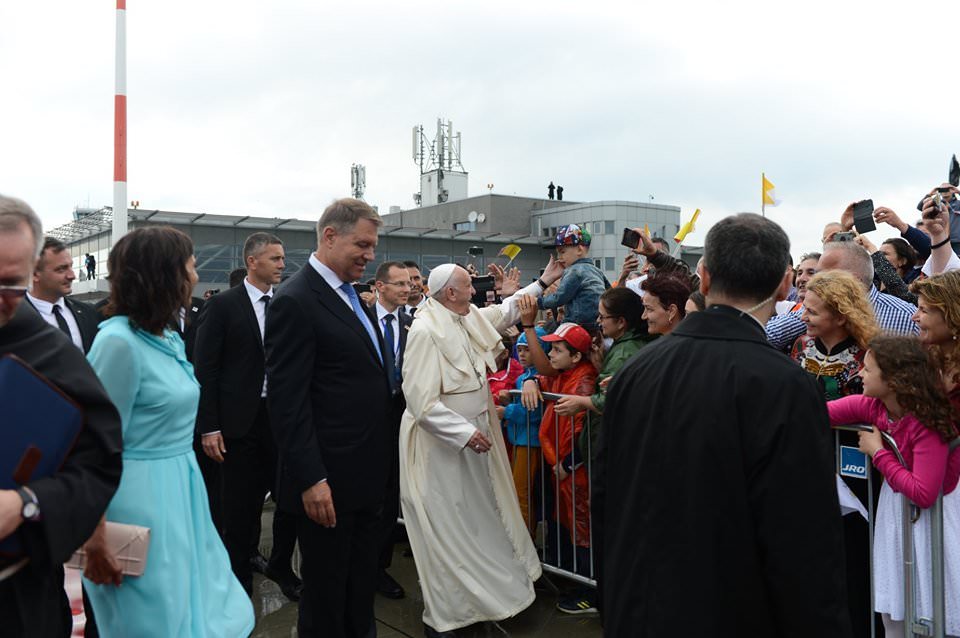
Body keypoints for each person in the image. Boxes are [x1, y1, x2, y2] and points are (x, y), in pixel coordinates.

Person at [598, 213, 851, 637]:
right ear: (783, 284)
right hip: (730, 613)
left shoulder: (635, 371)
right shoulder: (785, 385)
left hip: (638, 608)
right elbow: (803, 542)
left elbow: (606, 500)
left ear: (705, 275)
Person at [83, 226, 253, 636]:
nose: (195, 277)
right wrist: (94, 538)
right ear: (164, 275)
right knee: (149, 620)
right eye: (191, 267)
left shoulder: (167, 338)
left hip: (183, 493)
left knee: (199, 610)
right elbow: (89, 446)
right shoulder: (118, 344)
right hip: (134, 507)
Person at [398, 258, 564, 637]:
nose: (475, 291)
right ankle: (453, 616)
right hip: (442, 451)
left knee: (478, 525)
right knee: (451, 530)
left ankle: (481, 604)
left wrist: (543, 282)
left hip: (473, 444)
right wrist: (463, 433)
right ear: (450, 293)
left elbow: (506, 311)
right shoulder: (426, 331)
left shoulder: (464, 315)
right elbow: (420, 401)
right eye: (467, 287)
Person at [265, 198, 395, 638]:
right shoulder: (296, 301)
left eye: (373, 245)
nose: (370, 255)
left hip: (364, 481)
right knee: (325, 601)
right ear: (329, 236)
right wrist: (310, 479)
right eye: (363, 244)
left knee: (358, 596)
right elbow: (288, 402)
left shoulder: (351, 298)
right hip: (328, 487)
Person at [0, 196, 123, 638]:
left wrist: (27, 503)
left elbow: (97, 465)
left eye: (10, 283)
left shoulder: (50, 353)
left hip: (17, 593)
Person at [828, 336, 959, 638]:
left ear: (895, 379)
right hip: (898, 516)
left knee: (934, 611)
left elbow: (925, 493)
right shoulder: (876, 406)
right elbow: (820, 411)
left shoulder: (926, 422)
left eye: (868, 369)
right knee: (894, 611)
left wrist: (879, 453)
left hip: (933, 522)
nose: (859, 372)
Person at [192, 232, 300, 600]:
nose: (283, 265)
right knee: (240, 506)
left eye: (283, 258)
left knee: (289, 499)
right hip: (240, 421)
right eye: (275, 259)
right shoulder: (224, 306)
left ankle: (281, 566)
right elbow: (206, 369)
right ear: (252, 262)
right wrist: (210, 426)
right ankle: (238, 577)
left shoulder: (287, 302)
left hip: (281, 416)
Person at [766, 238, 918, 351]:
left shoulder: (907, 318)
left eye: (823, 276)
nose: (814, 281)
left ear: (854, 281)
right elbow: (769, 335)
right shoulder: (814, 307)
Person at [371, 260, 413, 600]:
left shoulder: (412, 324)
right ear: (379, 286)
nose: (407, 289)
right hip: (365, 422)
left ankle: (378, 568)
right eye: (398, 284)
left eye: (409, 284)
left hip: (400, 419)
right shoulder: (361, 321)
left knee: (388, 496)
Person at [791, 270, 878, 399]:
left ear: (840, 318)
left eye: (812, 312)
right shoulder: (802, 344)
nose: (803, 318)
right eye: (804, 309)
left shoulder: (867, 356)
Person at [497, 327, 549, 533]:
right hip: (520, 439)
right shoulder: (525, 377)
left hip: (529, 441)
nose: (523, 354)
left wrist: (506, 410)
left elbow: (533, 413)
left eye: (528, 349)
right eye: (520, 349)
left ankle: (524, 539)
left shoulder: (537, 378)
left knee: (522, 493)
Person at [25, 237, 100, 353]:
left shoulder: (89, 313)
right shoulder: (9, 320)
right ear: (34, 274)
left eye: (71, 266)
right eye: (61, 269)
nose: (72, 276)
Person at [538, 224, 607, 331]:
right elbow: (610, 293)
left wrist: (539, 302)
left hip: (577, 323)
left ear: (579, 249)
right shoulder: (596, 270)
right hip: (598, 322)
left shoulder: (574, 271)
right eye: (557, 253)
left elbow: (560, 297)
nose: (559, 257)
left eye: (562, 252)